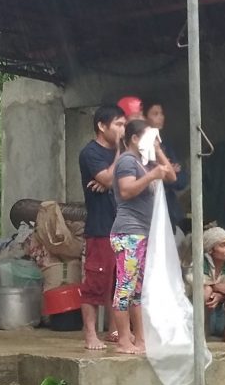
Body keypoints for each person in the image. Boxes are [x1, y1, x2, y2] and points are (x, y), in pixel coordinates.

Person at [111, 119, 176, 354]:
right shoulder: (127, 161)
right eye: (148, 137)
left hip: (142, 233)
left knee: (138, 291)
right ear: (135, 139)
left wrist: (158, 150)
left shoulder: (143, 161)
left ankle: (140, 338)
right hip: (129, 232)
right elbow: (127, 190)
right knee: (125, 289)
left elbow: (171, 177)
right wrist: (151, 176)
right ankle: (124, 340)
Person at [78, 104, 126, 350]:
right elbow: (107, 179)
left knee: (120, 281)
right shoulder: (90, 153)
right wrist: (117, 161)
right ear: (101, 125)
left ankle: (114, 329)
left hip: (124, 227)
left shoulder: (126, 154)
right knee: (96, 282)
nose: (122, 129)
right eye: (118, 124)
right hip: (100, 227)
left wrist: (110, 180)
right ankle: (90, 334)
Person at [186, 227, 225, 346]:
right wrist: (213, 286)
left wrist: (220, 296)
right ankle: (200, 333)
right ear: (210, 250)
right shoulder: (198, 263)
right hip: (203, 317)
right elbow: (192, 285)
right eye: (222, 245)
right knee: (205, 291)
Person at [143, 100, 189, 231]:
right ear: (144, 118)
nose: (160, 117)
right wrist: (165, 172)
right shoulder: (139, 145)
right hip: (148, 208)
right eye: (155, 114)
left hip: (168, 207)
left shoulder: (165, 145)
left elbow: (181, 181)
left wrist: (164, 173)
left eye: (161, 113)